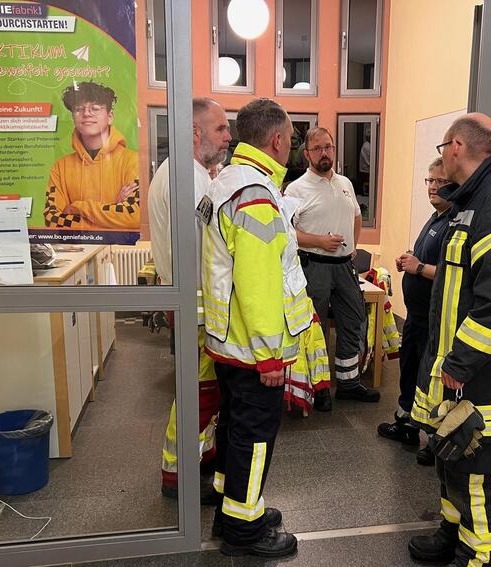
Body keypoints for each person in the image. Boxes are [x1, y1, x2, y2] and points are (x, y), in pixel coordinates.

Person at [407, 114, 491, 567]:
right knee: (452, 460)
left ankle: (482, 554)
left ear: (458, 146)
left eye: (444, 147)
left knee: (480, 475)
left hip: (481, 379)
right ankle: (453, 531)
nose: (442, 156)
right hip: (456, 373)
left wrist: (460, 362)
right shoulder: (470, 201)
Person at [201, 98, 314, 558]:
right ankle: (244, 531)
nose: (292, 148)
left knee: (234, 426)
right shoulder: (257, 195)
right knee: (254, 436)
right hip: (254, 350)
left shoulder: (226, 182)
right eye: (291, 139)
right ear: (276, 140)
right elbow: (259, 283)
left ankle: (234, 507)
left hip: (229, 342)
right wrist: (271, 356)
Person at [150, 98, 231, 501]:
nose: (228, 136)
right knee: (197, 393)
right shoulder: (189, 179)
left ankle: (196, 459)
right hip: (195, 304)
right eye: (220, 129)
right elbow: (206, 248)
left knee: (202, 391)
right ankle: (177, 474)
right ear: (195, 132)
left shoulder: (190, 174)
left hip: (190, 301)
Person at [284, 127, 380, 410]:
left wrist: (352, 247)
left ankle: (348, 383)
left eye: (328, 147)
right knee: (316, 329)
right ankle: (319, 387)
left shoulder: (345, 183)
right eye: (318, 149)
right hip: (314, 265)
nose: (324, 153)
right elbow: (288, 233)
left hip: (343, 267)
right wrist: (319, 242)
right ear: (307, 154)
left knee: (353, 320)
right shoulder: (296, 189)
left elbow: (356, 218)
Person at [377, 157, 452, 466]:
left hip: (435, 320)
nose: (433, 187)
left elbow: (454, 274)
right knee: (409, 370)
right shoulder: (435, 218)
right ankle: (406, 422)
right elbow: (426, 261)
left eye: (440, 181)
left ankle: (435, 438)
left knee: (430, 378)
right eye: (430, 181)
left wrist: (418, 267)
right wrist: (410, 258)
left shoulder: (455, 221)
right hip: (416, 317)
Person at [45, 81, 140, 231]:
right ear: (73, 117)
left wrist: (78, 207)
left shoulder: (133, 161)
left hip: (117, 251)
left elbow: (134, 216)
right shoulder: (60, 167)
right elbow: (52, 219)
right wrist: (113, 211)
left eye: (95, 108)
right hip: (77, 253)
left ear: (110, 116)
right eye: (79, 109)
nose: (87, 113)